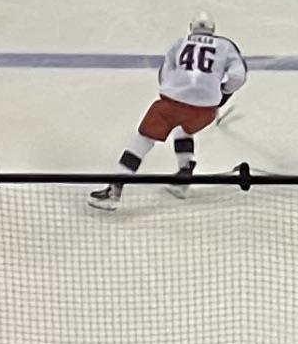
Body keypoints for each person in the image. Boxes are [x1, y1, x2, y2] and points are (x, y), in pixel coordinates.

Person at [89, 11, 246, 202]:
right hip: (205, 111)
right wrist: (220, 94)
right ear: (213, 30)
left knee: (143, 140)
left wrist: (174, 92)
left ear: (191, 28)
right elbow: (238, 76)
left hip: (172, 104)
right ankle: (184, 175)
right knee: (183, 130)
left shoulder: (180, 44)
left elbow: (164, 74)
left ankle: (114, 189)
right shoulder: (226, 46)